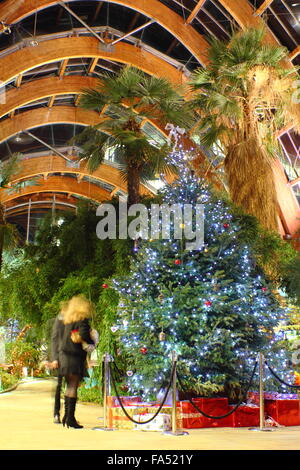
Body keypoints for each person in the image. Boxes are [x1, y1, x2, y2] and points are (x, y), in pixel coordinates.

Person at [51, 295, 96, 429]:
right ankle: (70, 417)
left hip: (64, 356)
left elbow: (59, 338)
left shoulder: (67, 320)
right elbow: (84, 335)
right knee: (73, 386)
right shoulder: (82, 319)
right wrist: (92, 340)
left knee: (69, 386)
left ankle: (67, 416)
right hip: (75, 357)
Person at [50, 302, 68, 424]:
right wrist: (55, 358)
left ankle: (69, 415)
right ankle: (56, 413)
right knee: (59, 386)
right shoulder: (59, 319)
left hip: (73, 357)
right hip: (61, 358)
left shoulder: (75, 319)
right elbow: (55, 339)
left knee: (72, 386)